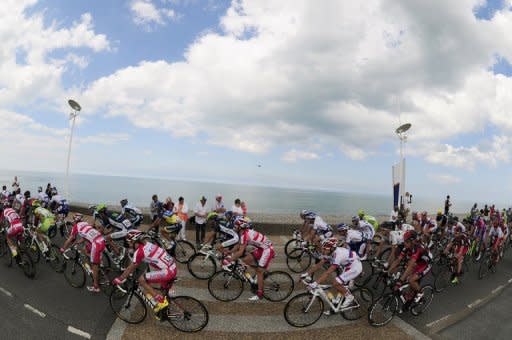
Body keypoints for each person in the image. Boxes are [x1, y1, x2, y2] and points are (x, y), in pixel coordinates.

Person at [113, 230, 177, 316]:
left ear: (133, 241)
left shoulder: (140, 252)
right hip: (172, 267)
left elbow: (129, 269)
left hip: (168, 271)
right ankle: (165, 311)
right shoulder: (148, 244)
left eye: (129, 242)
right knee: (163, 290)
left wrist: (120, 279)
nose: (128, 244)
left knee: (141, 279)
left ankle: (160, 300)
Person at [301, 237, 362, 313]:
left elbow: (328, 272)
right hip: (347, 265)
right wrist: (306, 274)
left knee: (336, 282)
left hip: (355, 267)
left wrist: (315, 283)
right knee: (337, 284)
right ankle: (336, 305)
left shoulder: (338, 255)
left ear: (332, 249)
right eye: (323, 248)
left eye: (325, 249)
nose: (323, 251)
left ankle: (349, 297)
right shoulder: (330, 252)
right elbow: (319, 265)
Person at [229, 216, 274, 301]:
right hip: (261, 248)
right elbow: (238, 245)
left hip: (267, 249)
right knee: (246, 259)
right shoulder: (243, 233)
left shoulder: (245, 235)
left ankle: (260, 293)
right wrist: (229, 252)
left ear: (241, 227)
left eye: (236, 225)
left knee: (259, 272)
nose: (234, 227)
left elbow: (240, 252)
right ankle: (263, 270)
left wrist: (229, 259)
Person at [61, 214, 106, 292]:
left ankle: (96, 286)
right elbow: (85, 236)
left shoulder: (76, 227)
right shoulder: (85, 223)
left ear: (75, 221)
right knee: (84, 249)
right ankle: (98, 264)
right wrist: (77, 242)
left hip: (96, 245)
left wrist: (63, 248)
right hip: (101, 240)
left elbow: (69, 239)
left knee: (94, 265)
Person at [388, 230, 431, 305]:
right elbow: (398, 260)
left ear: (413, 242)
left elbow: (410, 266)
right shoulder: (407, 247)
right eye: (404, 241)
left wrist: (400, 281)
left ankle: (421, 293)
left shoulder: (418, 249)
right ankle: (410, 294)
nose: (404, 243)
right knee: (407, 275)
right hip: (417, 262)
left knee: (411, 280)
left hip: (425, 264)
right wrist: (388, 271)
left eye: (406, 242)